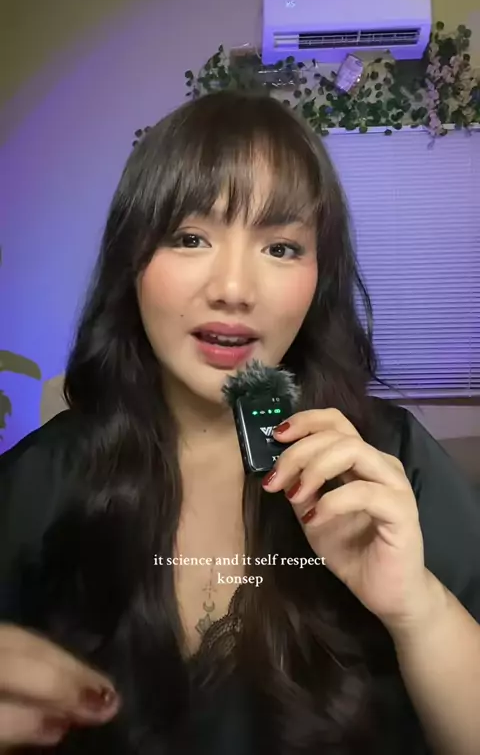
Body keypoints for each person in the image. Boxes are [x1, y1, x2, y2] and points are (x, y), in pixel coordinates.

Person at [0, 90, 479, 755]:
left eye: (281, 247)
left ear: (320, 278)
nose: (233, 288)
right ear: (131, 263)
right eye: (190, 238)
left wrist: (417, 608)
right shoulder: (35, 485)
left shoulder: (391, 464)